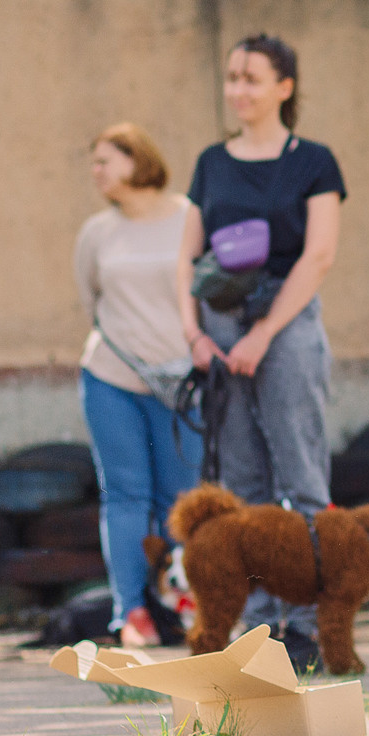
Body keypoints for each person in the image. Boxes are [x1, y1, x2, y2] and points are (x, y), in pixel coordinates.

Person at [177, 34, 346, 671]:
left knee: (300, 476)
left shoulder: (315, 162)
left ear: (284, 87)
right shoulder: (211, 162)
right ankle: (256, 626)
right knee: (240, 480)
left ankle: (305, 626)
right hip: (219, 325)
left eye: (252, 78)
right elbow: (186, 257)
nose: (239, 89)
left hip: (287, 321)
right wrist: (194, 334)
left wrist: (266, 332)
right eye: (232, 77)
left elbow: (319, 255)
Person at [75, 124, 199, 647]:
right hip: (112, 378)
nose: (96, 171)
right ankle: (131, 614)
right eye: (94, 163)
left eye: (106, 160)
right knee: (126, 495)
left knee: (180, 500)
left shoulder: (191, 217)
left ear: (137, 159)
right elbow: (91, 299)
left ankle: (181, 607)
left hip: (183, 382)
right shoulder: (97, 232)